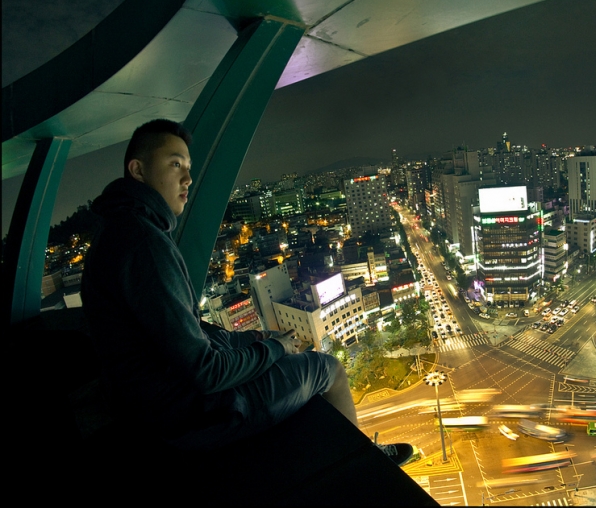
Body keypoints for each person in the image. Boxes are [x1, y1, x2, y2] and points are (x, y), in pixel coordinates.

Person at [81, 119, 412, 464]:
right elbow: (206, 371)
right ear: (137, 170)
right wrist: (273, 347)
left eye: (189, 167)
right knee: (328, 370)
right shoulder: (144, 243)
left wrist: (257, 339)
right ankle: (364, 463)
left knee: (275, 353)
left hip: (153, 402)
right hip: (187, 416)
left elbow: (187, 334)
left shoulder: (120, 231)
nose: (188, 179)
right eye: (175, 164)